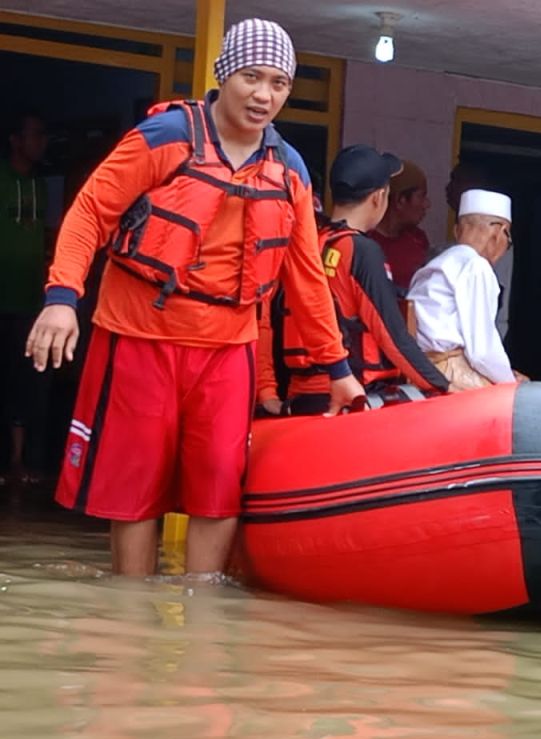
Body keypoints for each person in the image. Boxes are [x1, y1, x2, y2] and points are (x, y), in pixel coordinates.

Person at [25, 18, 363, 576]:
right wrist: (62, 297)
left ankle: (202, 614)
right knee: (131, 488)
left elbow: (306, 277)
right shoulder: (165, 138)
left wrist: (337, 367)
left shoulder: (289, 170)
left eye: (279, 83)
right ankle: (131, 608)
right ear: (223, 73)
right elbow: (90, 211)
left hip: (228, 346)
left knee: (218, 487)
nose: (264, 94)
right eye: (252, 77)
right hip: (139, 333)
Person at [259, 145, 451, 415]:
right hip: (349, 399)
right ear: (378, 198)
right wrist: (441, 388)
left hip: (299, 401)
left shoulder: (308, 246)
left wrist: (266, 390)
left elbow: (264, 318)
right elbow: (392, 335)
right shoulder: (360, 250)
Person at [408, 188, 518, 390]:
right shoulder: (476, 266)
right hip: (449, 371)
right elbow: (482, 352)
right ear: (499, 232)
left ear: (456, 231)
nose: (505, 247)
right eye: (507, 239)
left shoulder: (436, 264)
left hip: (423, 369)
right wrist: (510, 383)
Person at [0, 111, 50, 484]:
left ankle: (17, 463)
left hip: (29, 303)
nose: (41, 141)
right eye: (35, 134)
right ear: (15, 140)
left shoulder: (40, 185)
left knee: (23, 383)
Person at [444, 161, 514, 340]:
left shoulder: (444, 260)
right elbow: (481, 348)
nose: (508, 241)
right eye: (506, 234)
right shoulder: (475, 268)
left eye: (456, 180)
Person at [370, 160, 430, 295]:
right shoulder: (365, 242)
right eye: (421, 196)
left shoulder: (418, 239)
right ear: (400, 200)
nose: (427, 204)